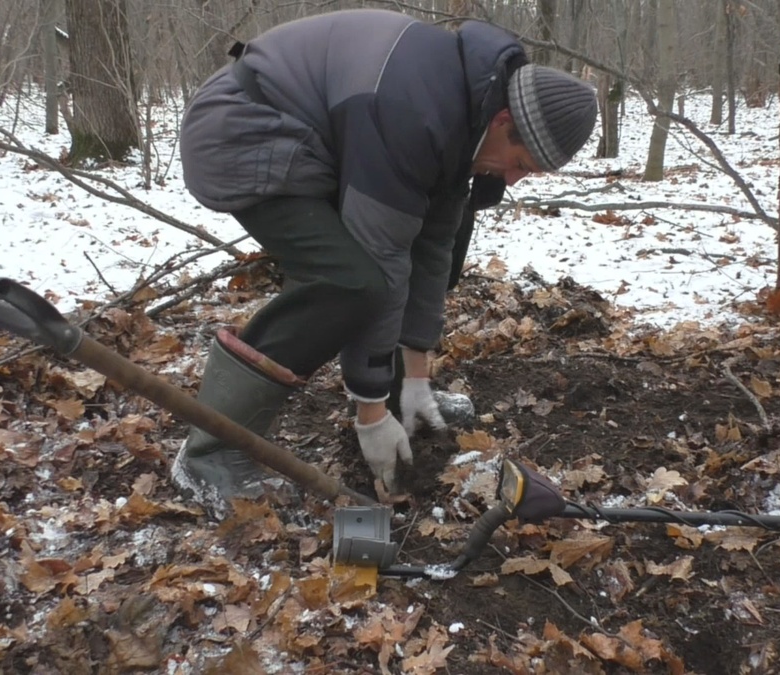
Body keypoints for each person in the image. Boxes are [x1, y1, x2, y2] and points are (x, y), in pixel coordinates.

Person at [175, 8, 597, 503]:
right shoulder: (413, 110)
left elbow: (434, 243)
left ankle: (402, 396)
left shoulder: (468, 104)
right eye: (519, 164)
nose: (510, 180)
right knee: (347, 281)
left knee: (448, 234)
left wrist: (415, 377)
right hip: (244, 133)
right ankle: (210, 451)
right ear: (504, 122)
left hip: (317, 139)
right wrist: (369, 412)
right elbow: (383, 255)